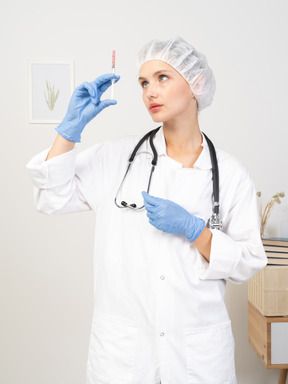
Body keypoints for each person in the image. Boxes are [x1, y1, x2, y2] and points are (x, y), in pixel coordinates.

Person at [26, 36, 267, 384]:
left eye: (162, 78)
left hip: (196, 356)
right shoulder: (118, 157)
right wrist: (70, 130)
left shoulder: (229, 173)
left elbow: (248, 262)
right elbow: (52, 196)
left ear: (196, 83)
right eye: (143, 83)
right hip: (125, 356)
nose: (150, 92)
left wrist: (196, 231)